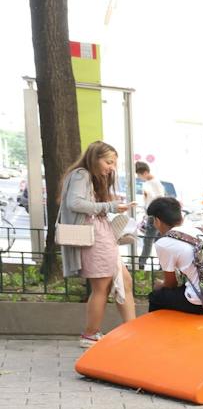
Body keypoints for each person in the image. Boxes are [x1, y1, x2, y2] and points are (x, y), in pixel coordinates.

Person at [59, 141, 134, 348]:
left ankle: (133, 331)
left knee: (123, 281)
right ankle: (90, 334)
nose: (111, 167)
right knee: (103, 286)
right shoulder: (82, 174)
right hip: (94, 237)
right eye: (108, 162)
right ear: (95, 158)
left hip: (100, 235)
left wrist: (110, 206)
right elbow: (74, 203)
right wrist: (110, 205)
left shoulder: (87, 177)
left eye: (113, 163)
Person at [146, 196, 203, 315]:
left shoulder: (164, 243)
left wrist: (160, 285)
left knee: (156, 296)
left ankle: (157, 332)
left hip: (202, 301)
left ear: (157, 220)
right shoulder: (198, 231)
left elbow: (171, 284)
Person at [133, 161, 165, 263]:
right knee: (158, 241)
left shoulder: (152, 183)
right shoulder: (152, 182)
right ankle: (163, 265)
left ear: (145, 172)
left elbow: (156, 199)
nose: (139, 177)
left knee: (148, 240)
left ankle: (141, 264)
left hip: (154, 216)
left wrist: (150, 214)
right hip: (156, 215)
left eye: (139, 174)